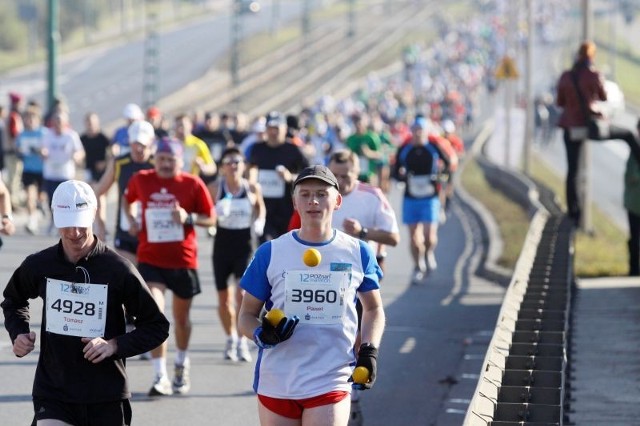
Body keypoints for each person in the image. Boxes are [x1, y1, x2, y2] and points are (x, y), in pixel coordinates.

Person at [1, 179, 169, 425]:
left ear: (93, 215)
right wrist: (19, 333)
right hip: (54, 391)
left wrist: (114, 345)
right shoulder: (40, 264)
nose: (74, 233)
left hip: (105, 394)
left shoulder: (118, 269)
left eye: (80, 223)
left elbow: (157, 326)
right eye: (66, 224)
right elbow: (13, 300)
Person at [238, 165, 386, 425]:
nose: (313, 201)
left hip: (331, 377)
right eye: (304, 194)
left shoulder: (358, 252)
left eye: (321, 193)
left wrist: (369, 350)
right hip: (277, 380)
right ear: (295, 202)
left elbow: (373, 309)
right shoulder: (271, 252)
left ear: (337, 201)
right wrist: (262, 334)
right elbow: (246, 315)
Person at [123, 137, 216, 396]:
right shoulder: (141, 179)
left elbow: (211, 218)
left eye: (171, 160)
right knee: (155, 312)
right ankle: (159, 374)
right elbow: (126, 199)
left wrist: (189, 217)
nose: (165, 164)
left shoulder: (192, 183)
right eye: (161, 159)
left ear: (180, 161)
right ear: (155, 159)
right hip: (151, 258)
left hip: (183, 260)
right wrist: (131, 219)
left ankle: (181, 362)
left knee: (181, 319)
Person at [556, 41, 640, 225]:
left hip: (571, 128)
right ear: (591, 57)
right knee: (628, 135)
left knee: (572, 171)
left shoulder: (566, 76)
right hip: (590, 127)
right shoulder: (593, 74)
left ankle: (574, 213)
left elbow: (560, 102)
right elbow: (602, 96)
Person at [208, 147, 266, 362]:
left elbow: (261, 208)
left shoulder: (251, 187)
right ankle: (230, 337)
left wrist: (259, 222)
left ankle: (242, 340)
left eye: (237, 162)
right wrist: (213, 213)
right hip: (222, 247)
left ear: (243, 165)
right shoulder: (215, 187)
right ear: (222, 166)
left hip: (244, 245)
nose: (233, 166)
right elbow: (204, 211)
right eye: (228, 162)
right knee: (223, 300)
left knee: (241, 295)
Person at [393, 117, 450, 284]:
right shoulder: (405, 149)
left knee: (429, 237)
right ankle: (418, 266)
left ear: (426, 132)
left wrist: (439, 177)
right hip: (411, 197)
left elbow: (447, 164)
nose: (418, 133)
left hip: (430, 197)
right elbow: (395, 170)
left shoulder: (433, 147)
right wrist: (401, 178)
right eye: (415, 129)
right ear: (412, 131)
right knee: (413, 238)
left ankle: (428, 253)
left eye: (421, 130)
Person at [93, 120, 156, 263]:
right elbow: (98, 192)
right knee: (129, 276)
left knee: (147, 280)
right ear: (129, 142)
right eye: (135, 144)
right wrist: (100, 226)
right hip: (125, 232)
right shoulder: (119, 163)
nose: (139, 149)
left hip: (152, 233)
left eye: (143, 145)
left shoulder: (158, 164)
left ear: (151, 142)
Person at [248, 111, 309, 243]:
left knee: (286, 245)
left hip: (285, 208)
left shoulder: (293, 150)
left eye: (277, 128)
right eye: (270, 128)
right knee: (264, 245)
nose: (273, 132)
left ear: (285, 129)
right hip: (263, 207)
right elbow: (252, 167)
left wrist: (290, 177)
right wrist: (251, 181)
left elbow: (309, 175)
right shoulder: (257, 149)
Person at [41, 110, 85, 234]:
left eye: (60, 122)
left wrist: (77, 156)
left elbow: (80, 151)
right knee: (51, 201)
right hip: (51, 173)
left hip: (65, 174)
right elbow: (42, 148)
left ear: (65, 123)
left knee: (65, 202)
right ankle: (53, 221)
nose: (57, 124)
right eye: (56, 121)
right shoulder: (47, 134)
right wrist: (43, 152)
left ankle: (64, 225)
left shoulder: (71, 135)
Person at [16, 103, 46, 234]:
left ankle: (41, 205)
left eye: (32, 118)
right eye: (27, 118)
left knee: (42, 196)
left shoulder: (43, 133)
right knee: (30, 196)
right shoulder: (22, 135)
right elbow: (17, 149)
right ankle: (32, 221)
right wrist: (19, 151)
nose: (30, 121)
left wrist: (42, 151)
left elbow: (49, 149)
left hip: (43, 170)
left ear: (37, 119)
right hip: (28, 169)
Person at [80, 112, 111, 238]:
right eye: (88, 123)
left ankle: (100, 225)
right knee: (91, 197)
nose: (90, 125)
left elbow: (111, 154)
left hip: (101, 173)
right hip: (89, 171)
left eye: (92, 123)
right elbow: (79, 153)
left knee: (99, 198)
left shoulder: (103, 138)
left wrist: (105, 163)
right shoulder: (82, 138)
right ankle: (92, 224)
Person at [624, 118, 640, 276]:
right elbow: (631, 176)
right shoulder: (635, 151)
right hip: (634, 204)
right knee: (635, 239)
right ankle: (634, 269)